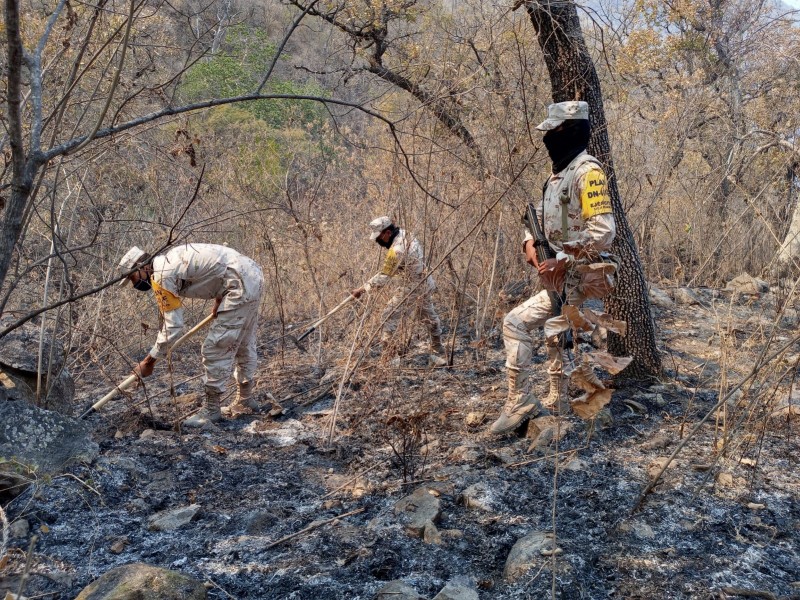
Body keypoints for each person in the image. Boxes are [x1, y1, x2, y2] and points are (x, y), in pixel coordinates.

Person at [488, 101, 616, 436]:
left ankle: (520, 400)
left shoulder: (588, 172)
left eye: (553, 131)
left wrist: (561, 258)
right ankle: (558, 401)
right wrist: (530, 242)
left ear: (570, 131)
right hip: (559, 275)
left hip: (581, 274)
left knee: (515, 323)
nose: (547, 138)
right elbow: (542, 223)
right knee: (555, 335)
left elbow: (604, 231)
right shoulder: (559, 172)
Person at [119, 243, 264, 428]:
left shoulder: (161, 275)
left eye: (132, 278)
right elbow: (219, 267)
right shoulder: (173, 257)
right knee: (244, 342)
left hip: (238, 285)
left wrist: (149, 362)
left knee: (215, 347)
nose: (134, 284)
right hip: (252, 275)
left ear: (142, 266)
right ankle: (245, 399)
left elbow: (173, 326)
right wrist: (220, 298)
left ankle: (211, 411)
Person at [351, 217, 447, 367]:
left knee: (388, 315)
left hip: (412, 287)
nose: (378, 242)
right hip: (425, 282)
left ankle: (390, 359)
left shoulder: (397, 250)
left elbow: (384, 276)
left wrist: (361, 290)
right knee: (429, 317)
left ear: (388, 232)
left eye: (379, 237)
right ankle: (439, 353)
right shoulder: (405, 234)